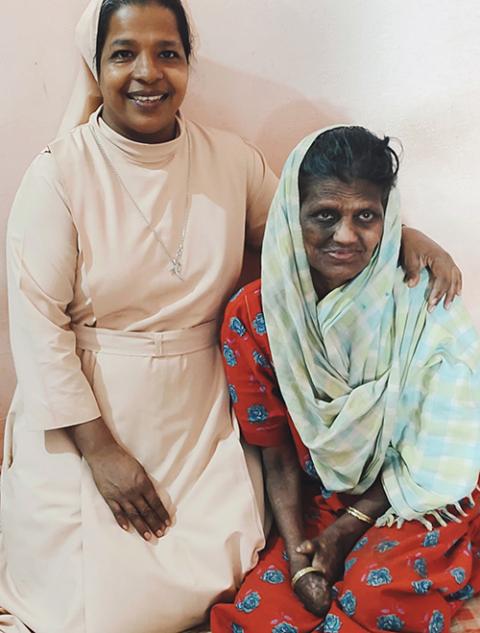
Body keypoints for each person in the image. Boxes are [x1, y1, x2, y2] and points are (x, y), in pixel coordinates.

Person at [0, 0, 462, 630]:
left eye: (168, 52)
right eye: (123, 53)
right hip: (94, 404)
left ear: (189, 62)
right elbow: (35, 319)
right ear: (97, 65)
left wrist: (410, 236)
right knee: (82, 605)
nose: (147, 73)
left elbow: (312, 230)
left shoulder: (230, 160)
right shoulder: (59, 173)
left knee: (219, 575)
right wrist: (102, 451)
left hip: (195, 404)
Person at [211, 126, 480, 633]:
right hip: (321, 499)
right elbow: (276, 456)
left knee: (374, 602)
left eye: (366, 217)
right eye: (325, 216)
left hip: (412, 491)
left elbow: (434, 442)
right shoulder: (255, 316)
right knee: (262, 618)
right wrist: (298, 557)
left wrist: (345, 534)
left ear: (388, 217)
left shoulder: (421, 297)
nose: (346, 236)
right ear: (293, 216)